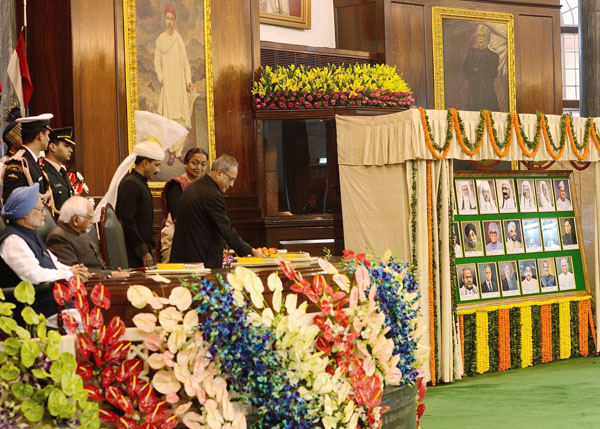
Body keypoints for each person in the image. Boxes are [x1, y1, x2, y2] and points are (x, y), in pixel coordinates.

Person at [96, 110, 188, 268]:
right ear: (145, 163)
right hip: (132, 253)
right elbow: (127, 221)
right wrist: (143, 251)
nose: (158, 170)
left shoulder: (140, 182)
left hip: (141, 250)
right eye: (156, 165)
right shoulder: (131, 184)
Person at [0, 184, 90, 315]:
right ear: (26, 213)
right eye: (40, 210)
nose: (44, 214)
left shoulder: (30, 234)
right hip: (32, 308)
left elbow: (54, 263)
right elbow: (33, 275)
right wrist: (68, 274)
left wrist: (74, 270)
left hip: (48, 299)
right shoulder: (12, 240)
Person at [171, 154, 265, 268]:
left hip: (185, 258)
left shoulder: (196, 187)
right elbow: (226, 230)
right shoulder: (212, 195)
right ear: (219, 173)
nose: (232, 184)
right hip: (200, 263)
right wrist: (250, 251)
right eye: (231, 179)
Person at [46, 196, 129, 278]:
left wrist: (111, 272)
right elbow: (75, 274)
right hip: (90, 286)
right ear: (76, 220)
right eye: (89, 218)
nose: (92, 221)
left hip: (102, 280)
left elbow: (99, 266)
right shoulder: (58, 238)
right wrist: (110, 275)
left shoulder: (80, 232)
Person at [154, 3, 194, 165]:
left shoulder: (178, 38)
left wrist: (188, 80)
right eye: (167, 18)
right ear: (165, 20)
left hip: (179, 84)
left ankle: (178, 151)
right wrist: (161, 78)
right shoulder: (161, 40)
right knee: (169, 120)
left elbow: (185, 62)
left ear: (175, 21)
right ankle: (171, 151)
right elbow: (157, 62)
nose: (169, 21)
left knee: (181, 120)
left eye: (171, 19)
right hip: (168, 84)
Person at [158, 148, 208, 262]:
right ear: (185, 164)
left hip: (199, 238)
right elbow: (177, 217)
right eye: (195, 163)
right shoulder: (176, 185)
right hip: (177, 237)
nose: (199, 168)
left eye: (203, 164)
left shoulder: (205, 187)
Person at [1, 113, 53, 204]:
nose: (49, 139)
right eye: (48, 135)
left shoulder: (32, 160)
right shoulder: (18, 164)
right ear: (40, 135)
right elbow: (13, 204)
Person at [461, 24, 500, 111]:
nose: (481, 38)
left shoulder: (493, 56)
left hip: (488, 96)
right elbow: (464, 72)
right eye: (479, 35)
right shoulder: (471, 53)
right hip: (473, 96)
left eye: (483, 36)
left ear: (488, 38)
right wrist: (481, 71)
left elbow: (491, 74)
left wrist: (475, 70)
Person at [42, 127, 76, 214]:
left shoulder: (62, 172)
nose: (71, 150)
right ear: (53, 147)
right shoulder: (43, 172)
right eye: (66, 146)